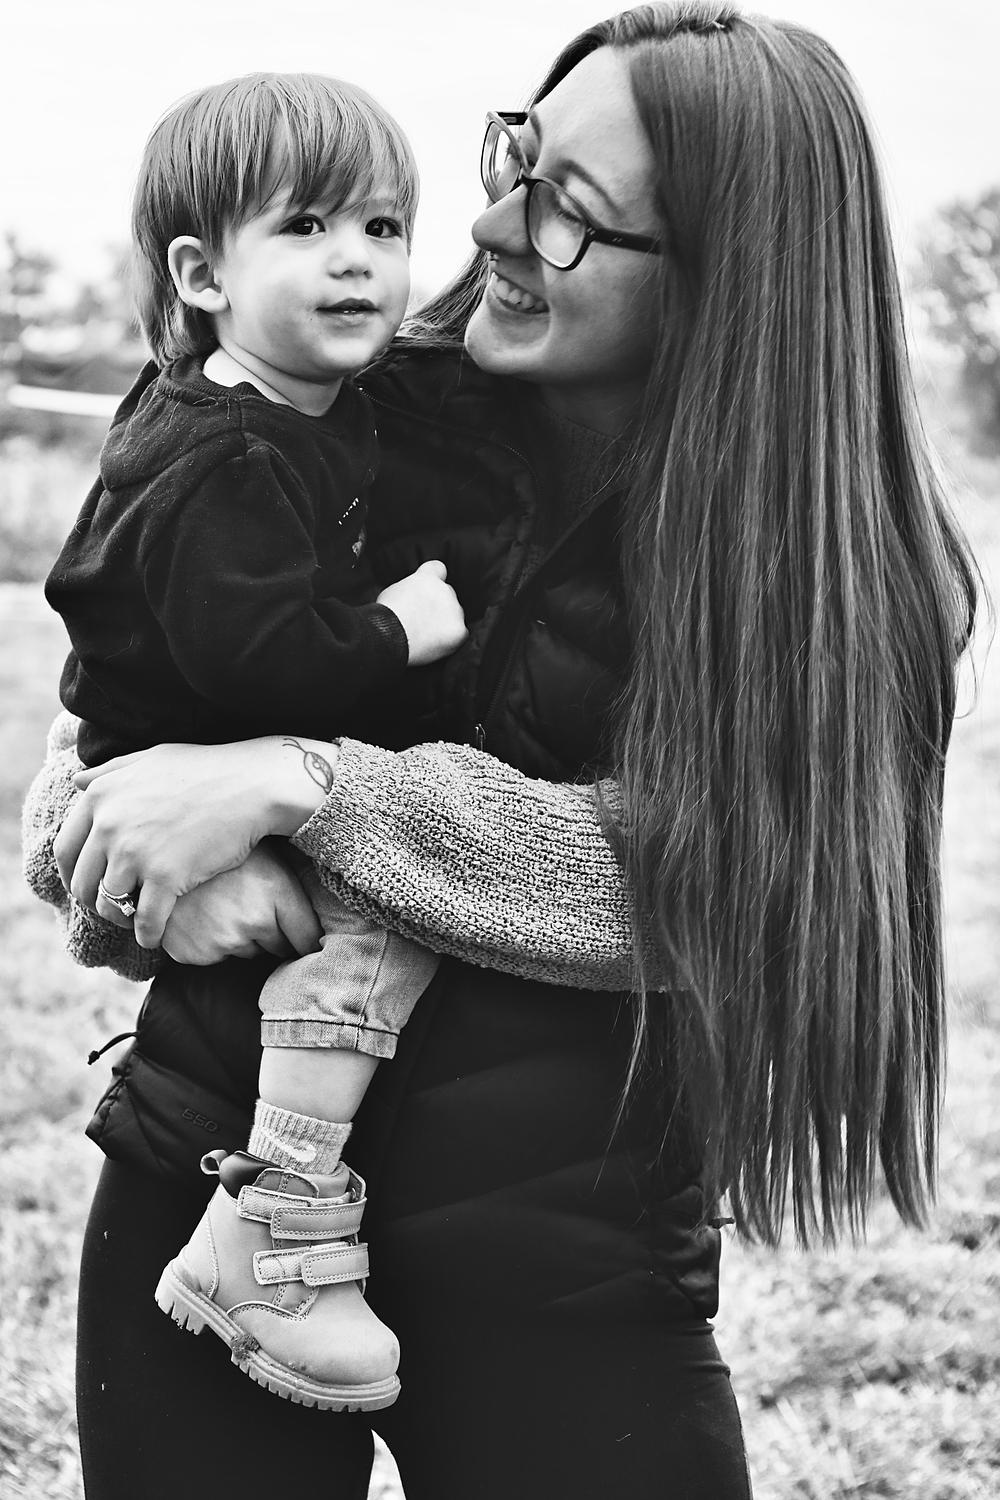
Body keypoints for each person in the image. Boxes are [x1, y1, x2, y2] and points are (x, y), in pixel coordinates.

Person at [22, 5, 979, 1499]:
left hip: (567, 1265)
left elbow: (721, 872)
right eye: (513, 163)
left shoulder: (845, 572)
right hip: (213, 1198)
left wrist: (307, 788)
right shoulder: (345, 407)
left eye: (569, 210)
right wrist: (126, 858)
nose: (488, 228)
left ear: (732, 276)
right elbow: (124, 692)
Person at [44, 71, 470, 1410]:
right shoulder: (229, 456)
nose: (357, 260)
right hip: (174, 763)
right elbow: (256, 658)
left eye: (384, 228)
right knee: (375, 929)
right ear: (203, 275)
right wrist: (399, 632)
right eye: (306, 227)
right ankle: (274, 1220)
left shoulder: (289, 411)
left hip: (188, 755)